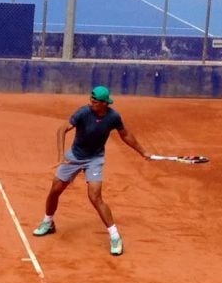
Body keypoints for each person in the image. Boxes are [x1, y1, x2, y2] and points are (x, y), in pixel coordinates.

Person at [32, 86, 150, 256]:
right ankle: (48, 222)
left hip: (95, 159)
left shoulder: (113, 117)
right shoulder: (83, 112)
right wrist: (60, 156)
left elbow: (125, 135)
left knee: (95, 196)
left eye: (95, 101)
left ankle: (115, 236)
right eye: (91, 100)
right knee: (55, 190)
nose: (91, 102)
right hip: (73, 157)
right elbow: (62, 129)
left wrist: (143, 152)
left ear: (104, 103)